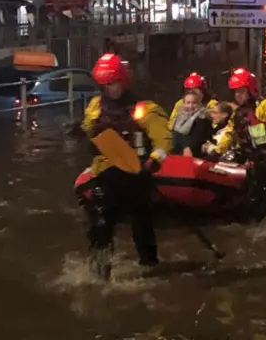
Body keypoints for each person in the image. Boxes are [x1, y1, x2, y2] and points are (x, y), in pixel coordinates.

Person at [76, 53, 172, 278]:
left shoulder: (146, 109)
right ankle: (99, 273)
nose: (109, 89)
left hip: (136, 175)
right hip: (106, 172)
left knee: (142, 225)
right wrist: (80, 130)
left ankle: (150, 267)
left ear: (123, 81)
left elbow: (163, 140)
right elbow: (89, 129)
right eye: (105, 85)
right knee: (101, 222)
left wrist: (154, 161)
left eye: (113, 83)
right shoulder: (95, 107)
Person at [211, 67, 266, 217]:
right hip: (254, 156)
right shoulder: (239, 113)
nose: (238, 96)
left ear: (251, 90)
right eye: (236, 92)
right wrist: (217, 151)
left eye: (241, 91)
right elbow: (229, 132)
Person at [171, 91, 213, 157]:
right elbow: (175, 134)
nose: (191, 106)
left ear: (199, 103)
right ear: (184, 104)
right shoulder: (179, 117)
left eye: (194, 103)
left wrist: (186, 146)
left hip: (194, 155)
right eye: (188, 103)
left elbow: (197, 138)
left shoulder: (203, 118)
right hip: (177, 153)